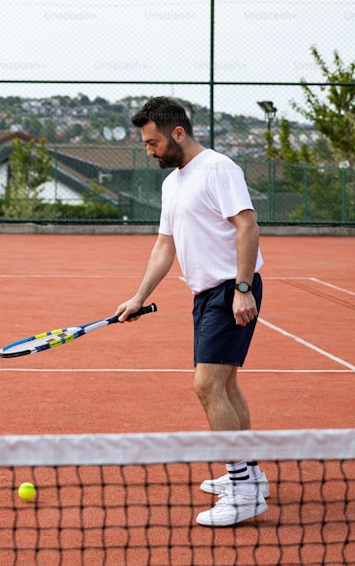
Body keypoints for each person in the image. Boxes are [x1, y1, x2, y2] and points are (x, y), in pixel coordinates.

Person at [115, 96, 268, 527]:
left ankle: (242, 491)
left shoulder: (219, 168)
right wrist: (138, 296)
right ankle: (251, 476)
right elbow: (165, 245)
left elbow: (247, 225)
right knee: (226, 385)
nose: (149, 151)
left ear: (177, 133)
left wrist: (241, 289)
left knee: (206, 386)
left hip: (229, 290)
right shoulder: (172, 184)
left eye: (153, 142)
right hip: (204, 294)